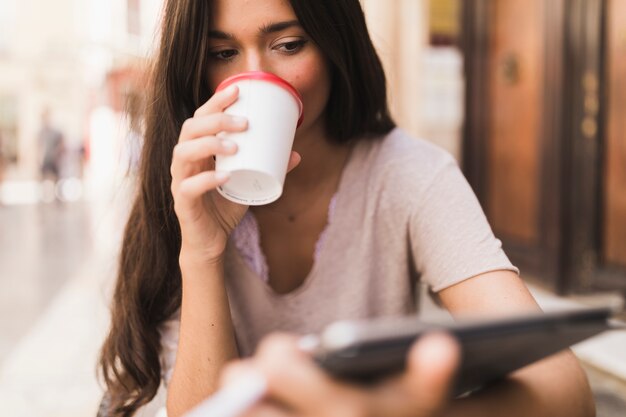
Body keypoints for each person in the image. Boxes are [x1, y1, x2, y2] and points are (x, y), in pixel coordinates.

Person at [98, 1, 595, 417]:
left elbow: (566, 392)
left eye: (289, 44)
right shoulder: (187, 188)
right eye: (222, 53)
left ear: (335, 42)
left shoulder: (406, 174)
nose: (254, 77)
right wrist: (202, 250)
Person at [38, 109, 65, 185]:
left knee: (55, 178)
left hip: (53, 159)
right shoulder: (41, 132)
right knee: (43, 178)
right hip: (45, 159)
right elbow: (38, 146)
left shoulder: (56, 132)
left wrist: (57, 154)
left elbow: (61, 143)